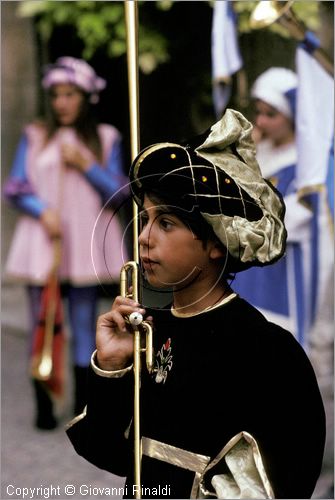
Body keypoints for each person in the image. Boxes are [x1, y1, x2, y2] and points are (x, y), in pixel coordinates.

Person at [66, 109, 325, 499]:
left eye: (166, 223)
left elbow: (287, 478)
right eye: (145, 219)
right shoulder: (149, 331)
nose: (144, 238)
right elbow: (108, 452)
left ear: (217, 243)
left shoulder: (268, 352)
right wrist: (113, 366)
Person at [3, 56, 129, 430]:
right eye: (56, 95)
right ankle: (43, 404)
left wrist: (86, 164)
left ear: (85, 97)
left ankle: (81, 405)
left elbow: (121, 193)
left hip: (85, 243)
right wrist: (42, 210)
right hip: (44, 241)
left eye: (70, 94)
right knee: (42, 320)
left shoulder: (106, 138)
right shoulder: (35, 134)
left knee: (82, 322)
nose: (62, 102)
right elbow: (15, 186)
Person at [233, 67, 313, 347]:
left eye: (271, 114)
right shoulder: (259, 153)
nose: (260, 122)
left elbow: (301, 214)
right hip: (249, 266)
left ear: (292, 115)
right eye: (259, 112)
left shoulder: (308, 161)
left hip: (284, 268)